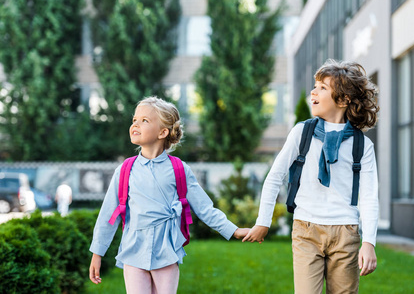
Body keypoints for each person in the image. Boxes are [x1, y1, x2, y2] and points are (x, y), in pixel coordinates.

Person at [243, 59, 380, 294]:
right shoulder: (302, 132)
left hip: (345, 231)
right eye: (314, 86)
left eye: (322, 87)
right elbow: (275, 177)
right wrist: (263, 221)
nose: (313, 92)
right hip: (306, 229)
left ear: (344, 99)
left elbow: (368, 197)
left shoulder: (362, 145)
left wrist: (368, 242)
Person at [89, 96, 249, 294]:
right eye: (134, 120)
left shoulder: (179, 169)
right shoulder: (124, 170)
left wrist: (233, 230)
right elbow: (107, 214)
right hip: (133, 251)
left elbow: (205, 208)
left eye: (144, 121)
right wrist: (97, 253)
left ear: (163, 132)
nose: (135, 125)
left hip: (166, 252)